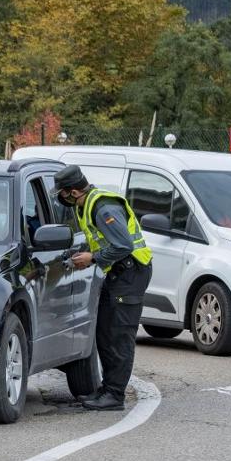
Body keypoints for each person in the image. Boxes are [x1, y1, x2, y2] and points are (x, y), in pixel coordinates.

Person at [53, 164, 153, 411]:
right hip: (120, 273)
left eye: (62, 194)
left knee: (118, 335)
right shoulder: (88, 205)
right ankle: (107, 390)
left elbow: (123, 245)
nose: (61, 199)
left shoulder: (103, 207)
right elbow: (101, 240)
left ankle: (115, 396)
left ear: (73, 192)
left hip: (130, 272)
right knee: (106, 333)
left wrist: (93, 259)